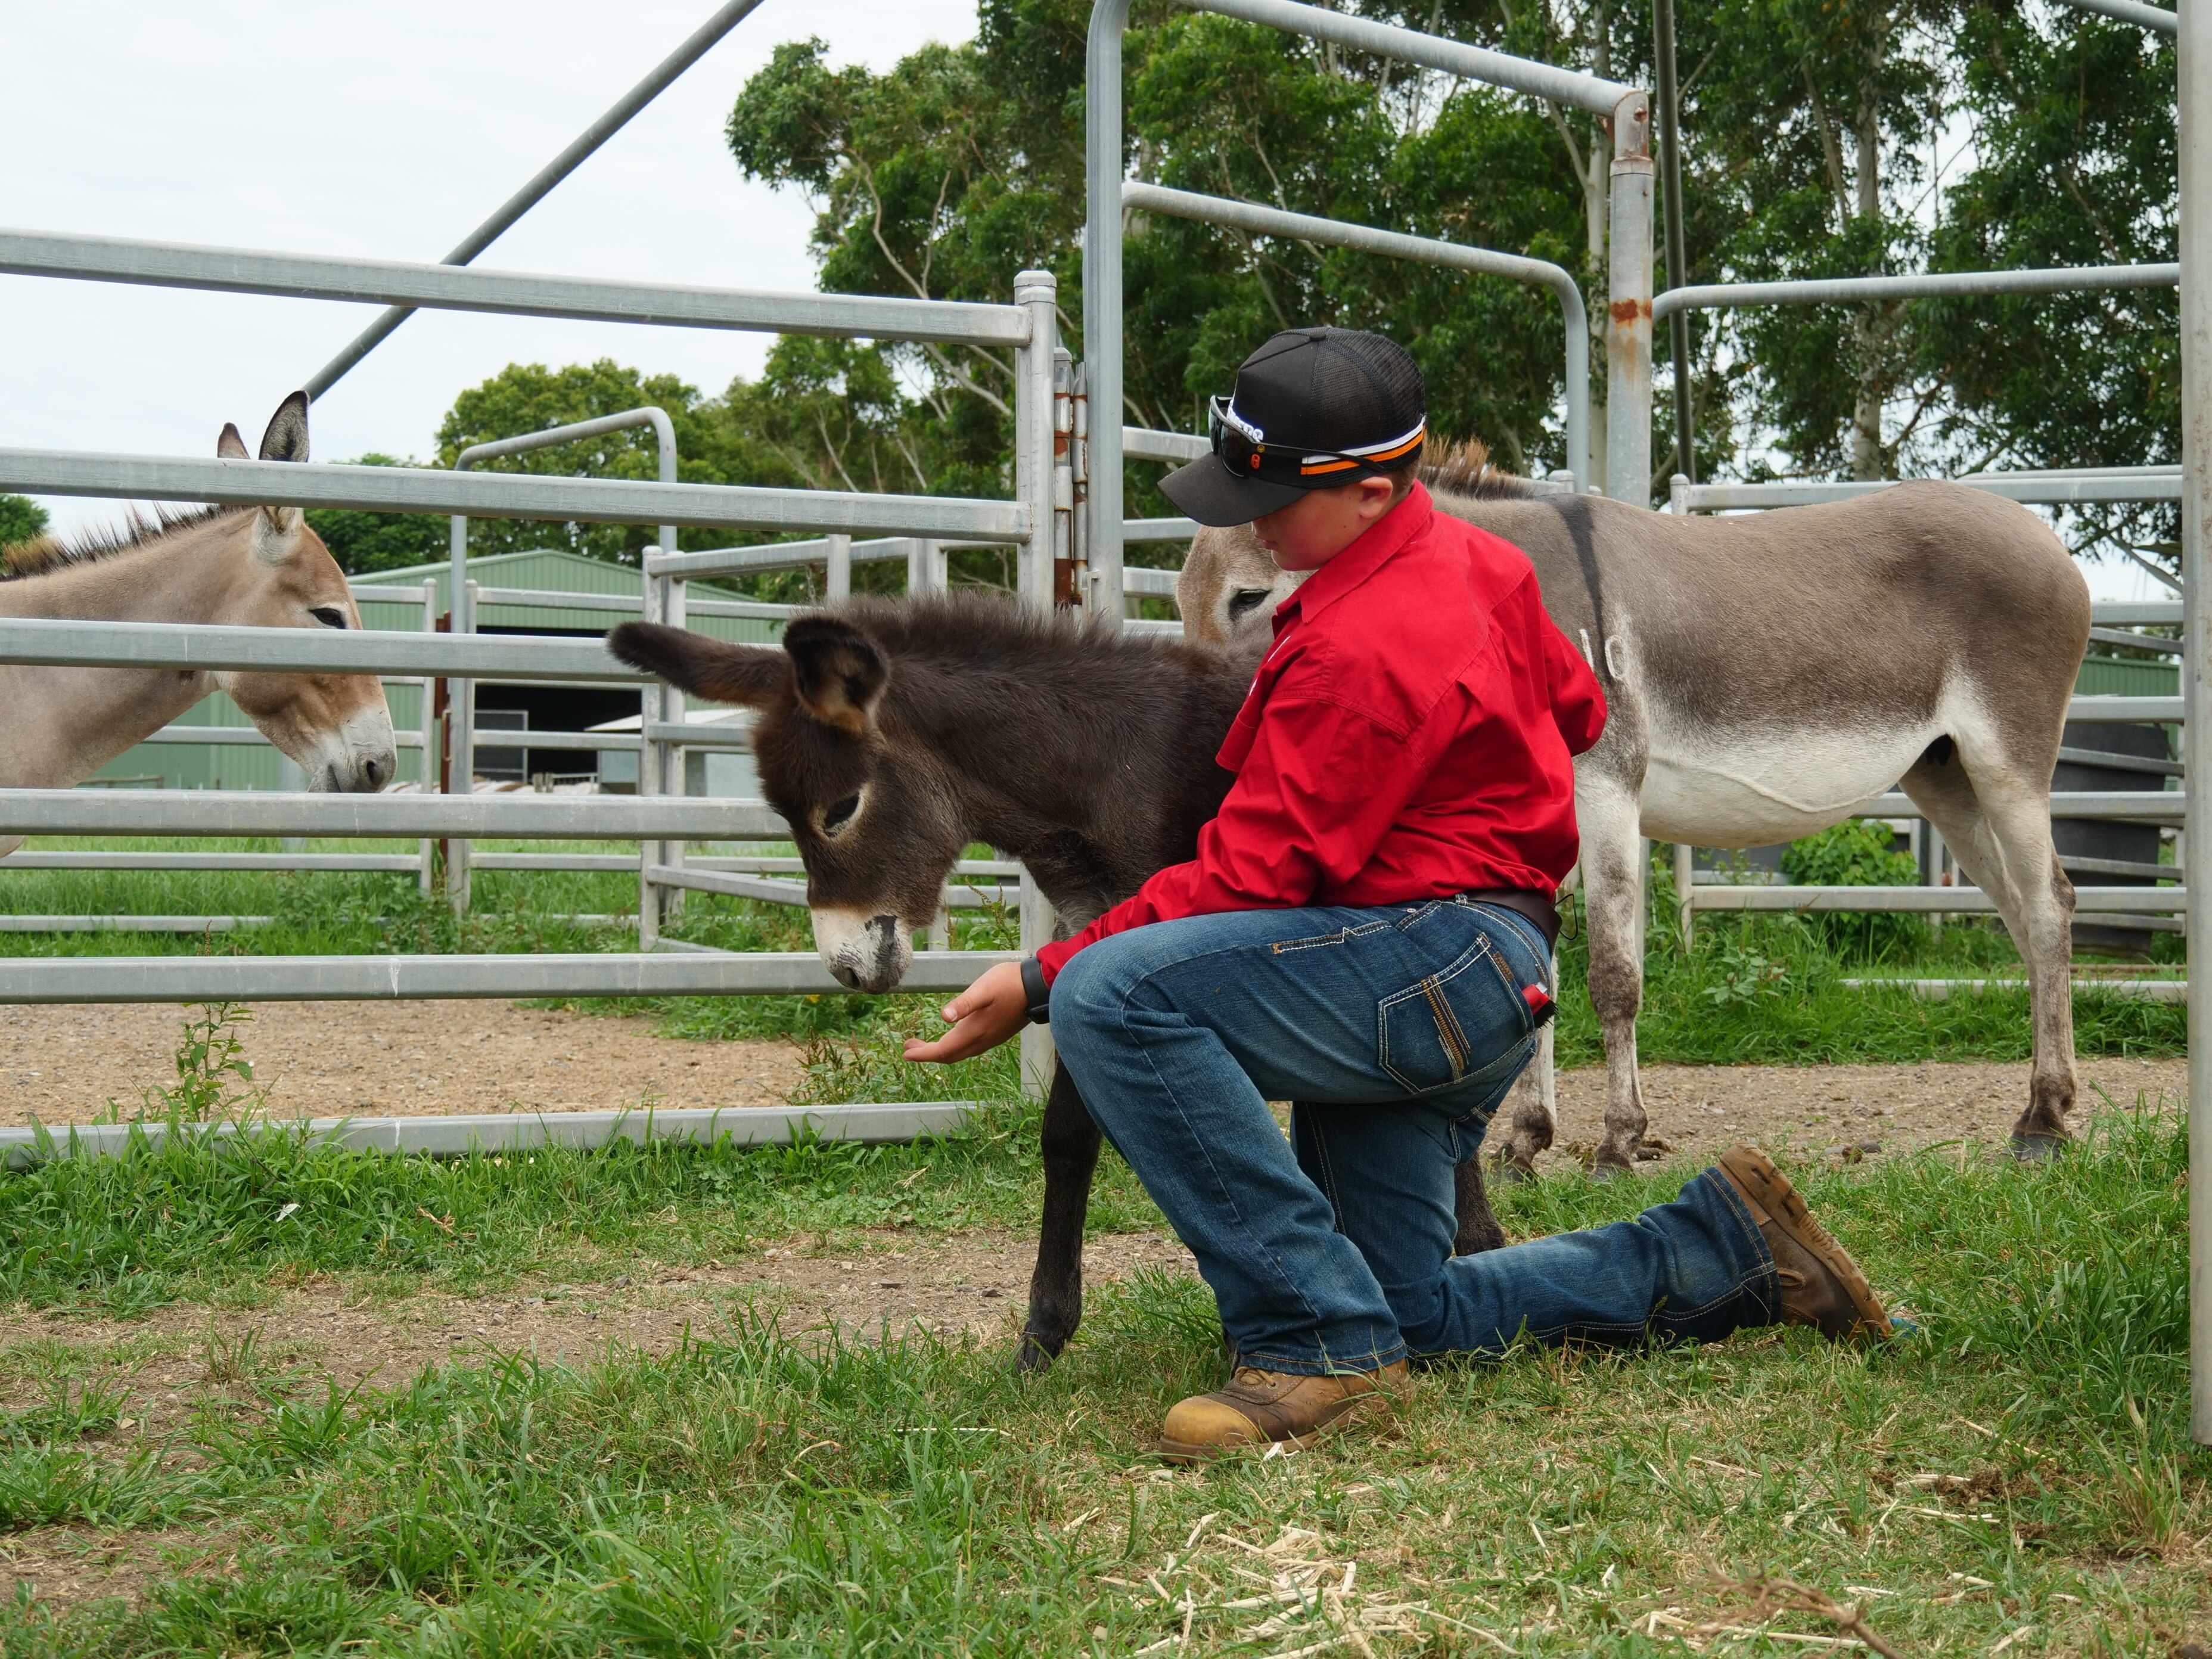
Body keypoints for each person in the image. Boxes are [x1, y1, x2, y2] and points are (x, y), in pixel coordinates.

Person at [905, 327, 1891, 1461]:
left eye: (1271, 495)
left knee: (1113, 999)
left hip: (1425, 964)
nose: (1248, 520)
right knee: (1408, 1306)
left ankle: (1314, 1341)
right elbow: (1575, 710)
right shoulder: (1482, 566)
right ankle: (1722, 1256)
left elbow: (1253, 873)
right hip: (1474, 968)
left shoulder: (1365, 644)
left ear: (1373, 490)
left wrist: (1037, 977)